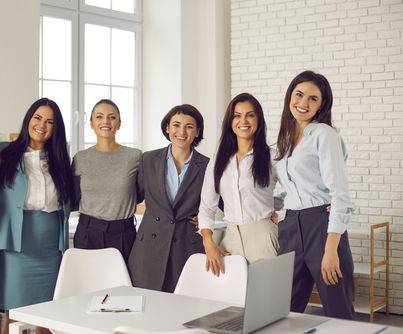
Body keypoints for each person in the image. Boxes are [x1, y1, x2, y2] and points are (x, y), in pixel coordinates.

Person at [275, 70, 356, 320]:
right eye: (299, 95)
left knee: (337, 311)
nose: (303, 103)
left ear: (322, 105)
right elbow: (291, 189)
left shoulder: (325, 136)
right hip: (290, 227)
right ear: (290, 97)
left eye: (313, 98)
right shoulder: (286, 140)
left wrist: (330, 250)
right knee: (280, 309)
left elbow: (340, 195)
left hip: (321, 228)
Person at [0, 98, 73, 334]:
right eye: (37, 118)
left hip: (50, 249)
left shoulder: (61, 161)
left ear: (56, 128)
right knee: (13, 316)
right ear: (28, 119)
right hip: (15, 247)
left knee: (46, 319)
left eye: (50, 121)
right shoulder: (3, 153)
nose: (42, 125)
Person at [198, 93, 282, 276]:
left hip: (264, 240)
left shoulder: (273, 157)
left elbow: (295, 192)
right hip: (231, 241)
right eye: (237, 115)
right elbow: (207, 206)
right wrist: (208, 241)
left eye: (250, 115)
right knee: (229, 302)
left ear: (259, 120)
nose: (243, 120)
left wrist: (276, 208)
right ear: (230, 121)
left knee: (266, 301)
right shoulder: (218, 159)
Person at [128, 104, 209, 293]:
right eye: (176, 125)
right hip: (149, 248)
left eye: (189, 126)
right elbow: (133, 198)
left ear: (197, 132)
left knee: (184, 309)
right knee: (146, 307)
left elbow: (223, 204)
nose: (182, 131)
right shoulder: (148, 160)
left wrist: (204, 217)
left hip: (187, 248)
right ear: (167, 128)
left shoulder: (207, 166)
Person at [72, 99, 142, 262]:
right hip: (88, 232)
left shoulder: (135, 157)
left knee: (123, 285)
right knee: (88, 285)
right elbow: (73, 196)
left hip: (124, 233)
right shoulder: (80, 158)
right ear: (91, 123)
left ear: (119, 124)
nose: (105, 121)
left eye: (112, 117)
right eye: (99, 117)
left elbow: (143, 192)